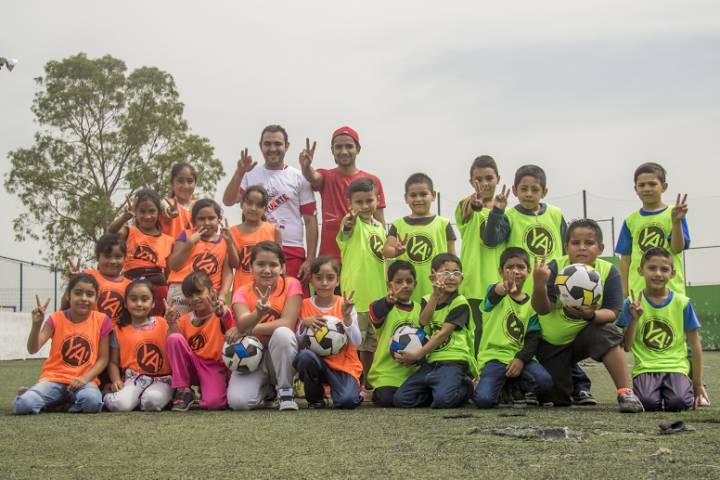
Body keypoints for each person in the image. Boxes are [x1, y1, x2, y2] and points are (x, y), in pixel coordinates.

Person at [481, 164, 592, 402]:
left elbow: (566, 249)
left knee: (558, 340)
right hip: (524, 294)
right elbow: (491, 239)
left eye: (535, 189)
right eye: (524, 189)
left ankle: (581, 385)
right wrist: (497, 211)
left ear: (545, 191)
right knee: (535, 342)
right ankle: (523, 386)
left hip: (553, 292)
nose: (529, 194)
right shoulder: (510, 216)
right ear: (515, 190)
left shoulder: (555, 214)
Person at [531, 219, 644, 412]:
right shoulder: (555, 268)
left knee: (606, 331)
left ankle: (626, 392)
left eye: (589, 243)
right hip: (552, 345)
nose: (582, 247)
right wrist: (539, 284)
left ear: (600, 248)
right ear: (566, 247)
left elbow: (612, 312)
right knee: (556, 399)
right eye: (575, 243)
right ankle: (574, 379)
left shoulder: (609, 271)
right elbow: (542, 309)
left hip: (584, 338)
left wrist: (592, 315)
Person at [222, 125, 318, 291]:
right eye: (267, 144)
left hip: (291, 249)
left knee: (293, 301)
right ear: (261, 146)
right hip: (256, 249)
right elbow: (229, 201)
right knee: (255, 301)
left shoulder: (299, 177)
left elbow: (310, 220)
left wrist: (310, 259)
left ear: (286, 146)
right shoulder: (250, 174)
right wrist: (239, 172)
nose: (273, 148)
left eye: (278, 144)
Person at [616, 247, 708, 411]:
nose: (658, 273)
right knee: (647, 402)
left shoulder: (682, 303)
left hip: (676, 367)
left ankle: (683, 386)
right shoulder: (631, 303)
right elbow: (627, 346)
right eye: (652, 268)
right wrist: (635, 319)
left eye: (664, 269)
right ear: (640, 271)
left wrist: (698, 384)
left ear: (672, 273)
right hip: (646, 367)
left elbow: (696, 345)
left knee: (679, 403)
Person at [13, 273, 111, 414]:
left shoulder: (102, 320)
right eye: (78, 293)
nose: (84, 298)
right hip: (54, 379)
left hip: (84, 382)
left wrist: (85, 378)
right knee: (23, 405)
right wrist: (36, 325)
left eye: (89, 294)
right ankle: (40, 397)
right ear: (68, 296)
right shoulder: (56, 318)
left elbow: (104, 358)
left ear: (96, 298)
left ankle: (57, 406)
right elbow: (32, 349)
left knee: (92, 403)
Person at [393, 253, 477, 408]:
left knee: (444, 401)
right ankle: (438, 390)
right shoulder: (427, 299)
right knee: (401, 399)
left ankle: (467, 386)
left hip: (453, 361)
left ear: (461, 279)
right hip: (432, 361)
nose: (451, 277)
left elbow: (443, 334)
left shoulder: (460, 303)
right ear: (434, 276)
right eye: (446, 272)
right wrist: (435, 296)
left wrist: (417, 355)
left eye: (456, 273)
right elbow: (424, 321)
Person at [227, 241, 302, 411]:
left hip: (280, 354)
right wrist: (258, 314)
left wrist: (245, 329)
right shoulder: (241, 292)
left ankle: (285, 391)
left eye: (273, 265)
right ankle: (268, 391)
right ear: (251, 267)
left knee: (283, 333)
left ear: (282, 268)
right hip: (251, 356)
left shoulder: (291, 284)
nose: (267, 270)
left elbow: (287, 323)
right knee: (238, 402)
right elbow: (243, 320)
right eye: (260, 264)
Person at [473, 247, 552, 408]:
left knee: (545, 383)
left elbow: (532, 338)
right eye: (509, 267)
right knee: (483, 400)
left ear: (529, 271)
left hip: (519, 358)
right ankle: (483, 384)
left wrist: (520, 359)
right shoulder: (494, 294)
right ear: (500, 271)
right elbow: (495, 293)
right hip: (493, 358)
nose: (515, 271)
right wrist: (504, 288)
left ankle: (512, 386)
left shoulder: (532, 305)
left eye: (521, 267)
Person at [298, 126, 386, 263]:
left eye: (349, 146)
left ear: (358, 149)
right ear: (332, 151)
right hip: (330, 259)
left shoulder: (372, 181)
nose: (344, 151)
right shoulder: (326, 176)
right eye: (338, 147)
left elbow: (380, 222)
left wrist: (384, 255)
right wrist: (305, 166)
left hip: (362, 258)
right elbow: (313, 177)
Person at [337, 178, 387, 391]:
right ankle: (351, 383)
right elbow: (346, 229)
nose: (365, 206)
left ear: (377, 200)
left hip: (378, 296)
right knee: (353, 343)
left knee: (371, 346)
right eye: (359, 202)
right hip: (355, 297)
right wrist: (349, 223)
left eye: (369, 200)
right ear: (350, 204)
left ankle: (368, 384)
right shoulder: (351, 222)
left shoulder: (381, 228)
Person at [294, 256, 362, 409]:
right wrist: (304, 325)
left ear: (337, 281)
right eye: (319, 278)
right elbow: (297, 344)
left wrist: (347, 318)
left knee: (347, 401)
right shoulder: (304, 305)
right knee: (305, 357)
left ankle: (348, 389)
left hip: (343, 365)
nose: (324, 283)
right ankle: (316, 398)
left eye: (330, 278)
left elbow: (357, 342)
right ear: (311, 280)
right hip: (316, 362)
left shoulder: (345, 304)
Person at [615, 162, 689, 298]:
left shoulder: (674, 214)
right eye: (642, 185)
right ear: (636, 189)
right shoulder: (630, 221)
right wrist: (624, 290)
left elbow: (677, 248)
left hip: (671, 291)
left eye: (652, 184)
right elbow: (625, 259)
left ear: (664, 187)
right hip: (638, 294)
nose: (647, 188)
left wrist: (676, 221)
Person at [166, 271, 233, 412]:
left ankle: (209, 388)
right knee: (174, 338)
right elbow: (176, 346)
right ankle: (183, 390)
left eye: (199, 293)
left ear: (212, 292)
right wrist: (171, 322)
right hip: (192, 364)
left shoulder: (220, 312)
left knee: (214, 403)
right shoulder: (185, 319)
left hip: (212, 366)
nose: (195, 298)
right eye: (190, 296)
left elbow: (229, 323)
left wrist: (221, 312)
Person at [454, 155, 503, 347]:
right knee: (475, 334)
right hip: (473, 283)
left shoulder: (505, 212)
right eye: (478, 179)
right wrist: (476, 202)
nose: (484, 183)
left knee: (497, 332)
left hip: (499, 282)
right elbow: (469, 209)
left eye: (489, 178)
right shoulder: (466, 204)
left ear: (498, 179)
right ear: (471, 182)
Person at [384, 172, 456, 302]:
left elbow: (453, 258)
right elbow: (386, 251)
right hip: (407, 292)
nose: (418, 199)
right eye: (413, 195)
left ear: (433, 195)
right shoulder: (397, 225)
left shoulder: (443, 223)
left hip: (438, 291)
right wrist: (396, 251)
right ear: (406, 198)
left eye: (423, 194)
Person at [104, 279, 173, 412]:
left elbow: (176, 346)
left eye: (145, 299)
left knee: (152, 401)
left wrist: (172, 323)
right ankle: (107, 395)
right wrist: (116, 380)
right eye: (133, 299)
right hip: (134, 379)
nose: (139, 304)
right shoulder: (119, 330)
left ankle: (145, 398)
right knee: (119, 405)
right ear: (125, 303)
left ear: (153, 303)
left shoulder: (163, 323)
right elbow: (113, 362)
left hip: (162, 380)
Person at [107, 188, 175, 316]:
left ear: (159, 212)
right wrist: (124, 217)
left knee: (155, 324)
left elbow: (168, 274)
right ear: (135, 212)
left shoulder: (168, 240)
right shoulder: (129, 232)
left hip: (158, 290)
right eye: (142, 211)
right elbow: (111, 233)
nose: (147, 216)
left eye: (152, 211)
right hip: (131, 286)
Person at [167, 199, 239, 314]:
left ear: (219, 219)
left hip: (208, 294)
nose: (206, 222)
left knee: (210, 324)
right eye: (201, 219)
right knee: (178, 322)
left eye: (211, 218)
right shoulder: (187, 235)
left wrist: (222, 294)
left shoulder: (225, 241)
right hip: (182, 290)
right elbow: (174, 266)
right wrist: (189, 243)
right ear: (193, 221)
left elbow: (229, 270)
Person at [367, 261, 423, 407]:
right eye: (399, 282)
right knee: (386, 399)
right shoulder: (382, 306)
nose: (405, 285)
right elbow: (375, 314)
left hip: (413, 372)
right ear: (389, 285)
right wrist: (388, 301)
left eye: (409, 281)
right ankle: (375, 392)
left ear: (415, 284)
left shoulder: (421, 309)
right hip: (387, 374)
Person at [66, 233, 131, 323]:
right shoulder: (87, 276)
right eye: (107, 256)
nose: (113, 261)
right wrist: (73, 282)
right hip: (88, 329)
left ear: (125, 258)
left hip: (116, 331)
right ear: (97, 257)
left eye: (118, 257)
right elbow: (67, 304)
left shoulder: (130, 286)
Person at [229, 185, 282, 291]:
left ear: (265, 209)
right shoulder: (231, 232)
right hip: (242, 290)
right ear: (241, 204)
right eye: (249, 203)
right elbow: (234, 264)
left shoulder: (274, 230)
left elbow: (280, 264)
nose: (253, 208)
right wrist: (228, 242)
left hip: (269, 290)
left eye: (259, 205)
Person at [160, 162, 197, 239]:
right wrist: (169, 211)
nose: (185, 186)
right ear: (172, 184)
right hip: (171, 246)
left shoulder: (198, 206)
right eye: (180, 181)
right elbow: (165, 206)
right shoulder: (168, 203)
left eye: (190, 181)